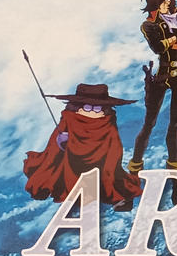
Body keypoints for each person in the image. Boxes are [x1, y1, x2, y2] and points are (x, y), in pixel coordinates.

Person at [129, 0, 177, 199]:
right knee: (149, 124)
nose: (170, 2)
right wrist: (176, 40)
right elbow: (158, 47)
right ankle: (134, 173)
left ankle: (175, 180)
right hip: (161, 77)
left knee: (174, 126)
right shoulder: (149, 24)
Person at [23, 83, 142, 211]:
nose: (92, 112)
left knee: (110, 175)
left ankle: (115, 196)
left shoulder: (108, 126)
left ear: (105, 109)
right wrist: (60, 143)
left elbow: (115, 151)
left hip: (102, 167)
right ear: (77, 107)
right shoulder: (69, 120)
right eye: (86, 107)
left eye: (97, 109)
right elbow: (52, 153)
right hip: (71, 166)